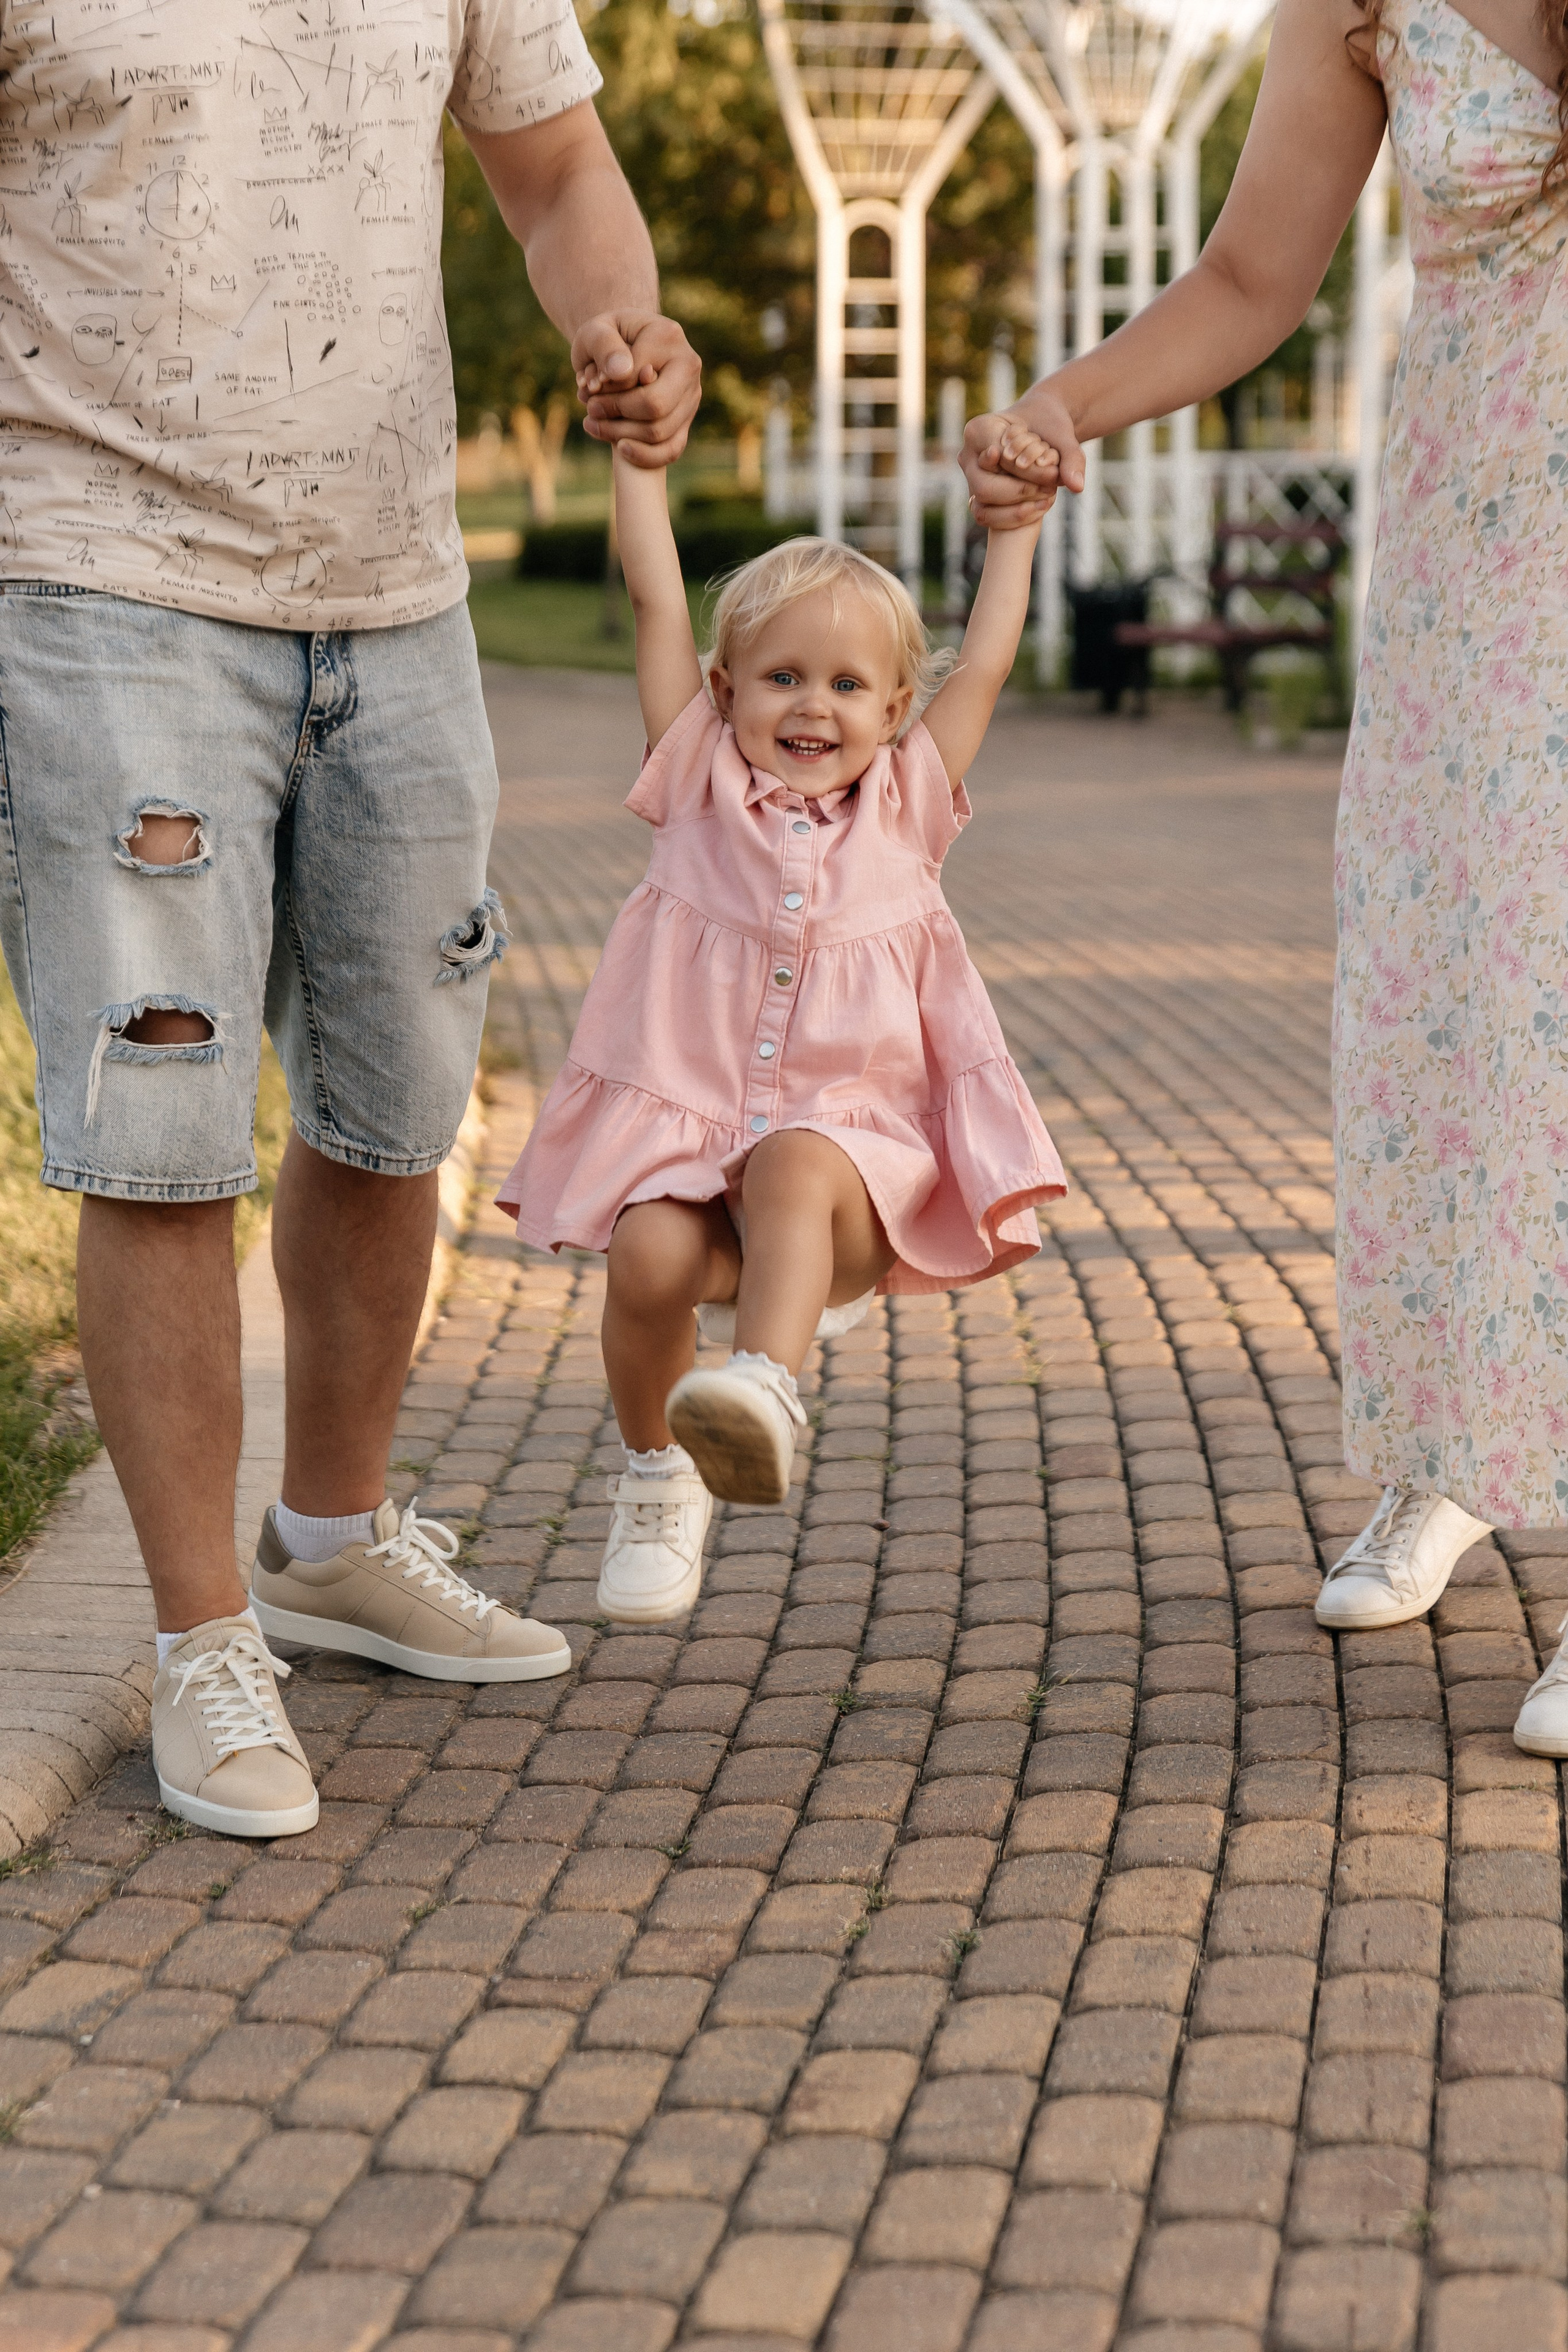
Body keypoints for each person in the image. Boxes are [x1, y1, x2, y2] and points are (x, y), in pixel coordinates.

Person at [0, 0, 701, 1836]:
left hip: (398, 596)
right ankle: (200, 1635)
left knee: (398, 1097)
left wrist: (614, 325)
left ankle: (327, 1539)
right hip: (103, 583)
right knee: (159, 1129)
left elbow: (557, 175)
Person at [959, 0, 1568, 1754]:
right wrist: (1057, 409)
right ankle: (1460, 1455)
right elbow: (1245, 277)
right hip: (1482, 585)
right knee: (1469, 1027)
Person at [497, 428, 1066, 1623]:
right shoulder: (694, 777)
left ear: (894, 708)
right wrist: (639, 464)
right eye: (782, 678)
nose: (813, 706)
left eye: (848, 686)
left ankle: (763, 1379)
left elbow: (990, 663)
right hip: (693, 1159)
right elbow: (658, 593)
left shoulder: (905, 804)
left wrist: (1010, 537)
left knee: (797, 1157)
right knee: (647, 1255)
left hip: (844, 1185)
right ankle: (659, 1475)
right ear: (723, 693)